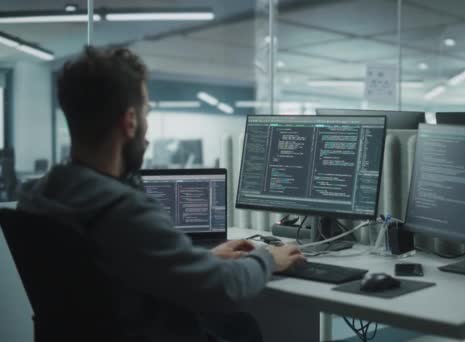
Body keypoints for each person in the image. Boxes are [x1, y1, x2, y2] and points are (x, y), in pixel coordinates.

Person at [17, 46, 305, 342]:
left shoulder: (37, 197)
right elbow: (225, 289)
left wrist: (202, 260)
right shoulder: (121, 210)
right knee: (241, 328)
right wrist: (268, 259)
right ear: (130, 122)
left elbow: (116, 273)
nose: (147, 129)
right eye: (146, 113)